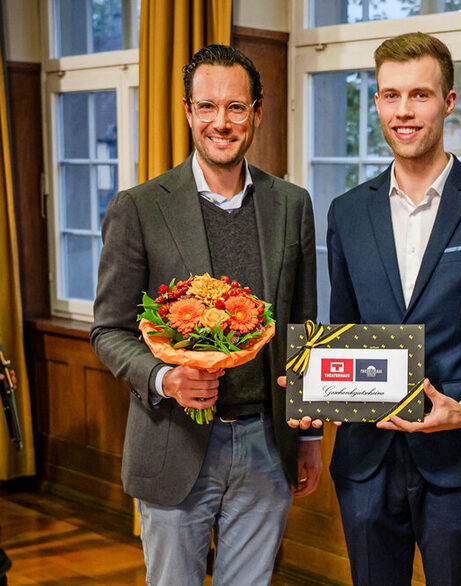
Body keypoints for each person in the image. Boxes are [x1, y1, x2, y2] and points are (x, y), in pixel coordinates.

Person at [91, 45, 319, 585]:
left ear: (257, 113)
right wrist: (166, 377)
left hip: (267, 443)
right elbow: (108, 329)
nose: (222, 122)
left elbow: (301, 324)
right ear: (189, 112)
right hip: (175, 441)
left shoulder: (291, 204)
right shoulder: (140, 207)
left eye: (236, 108)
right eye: (208, 107)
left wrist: (307, 436)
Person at [315, 32, 461, 585]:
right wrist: (315, 392)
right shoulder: (345, 213)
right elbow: (342, 331)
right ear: (378, 101)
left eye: (420, 95)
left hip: (458, 462)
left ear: (449, 101)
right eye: (390, 95)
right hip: (365, 462)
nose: (403, 112)